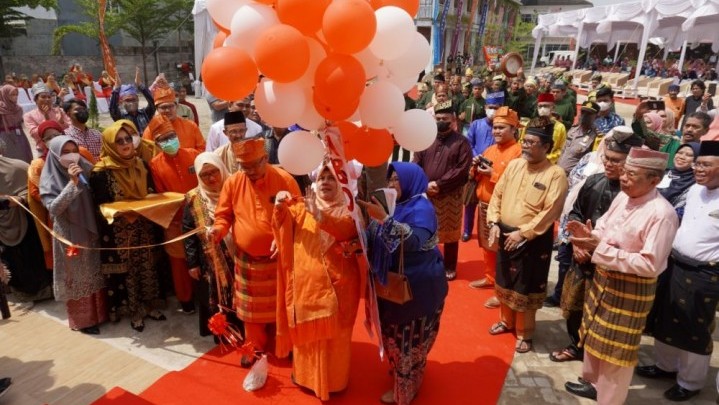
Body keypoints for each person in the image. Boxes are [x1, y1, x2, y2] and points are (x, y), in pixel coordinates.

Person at [564, 148, 679, 404]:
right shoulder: (622, 198)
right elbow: (603, 227)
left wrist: (599, 248)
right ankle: (594, 385)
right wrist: (589, 236)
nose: (624, 178)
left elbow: (650, 264)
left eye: (631, 174)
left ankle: (610, 400)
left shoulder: (662, 214)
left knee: (617, 352)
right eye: (624, 172)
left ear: (654, 180)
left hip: (631, 288)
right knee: (596, 338)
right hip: (605, 280)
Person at [359, 162, 448, 405]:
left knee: (409, 342)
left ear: (411, 181)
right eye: (390, 180)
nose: (391, 184)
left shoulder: (422, 209)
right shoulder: (393, 206)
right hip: (393, 286)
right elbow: (375, 237)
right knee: (395, 337)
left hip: (418, 289)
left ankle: (404, 391)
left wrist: (385, 220)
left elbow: (413, 241)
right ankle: (405, 371)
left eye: (397, 179)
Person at [548, 132, 641, 363]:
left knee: (603, 313)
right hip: (581, 257)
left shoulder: (635, 195)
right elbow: (576, 212)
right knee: (573, 307)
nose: (609, 163)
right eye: (607, 158)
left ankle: (596, 354)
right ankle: (575, 345)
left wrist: (596, 249)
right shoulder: (594, 181)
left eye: (616, 160)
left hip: (612, 264)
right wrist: (577, 243)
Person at [272, 163, 363, 401]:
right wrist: (279, 205)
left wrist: (320, 215)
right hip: (307, 288)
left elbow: (347, 230)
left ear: (341, 183)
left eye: (331, 178)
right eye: (321, 178)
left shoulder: (350, 209)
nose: (325, 182)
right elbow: (282, 227)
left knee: (337, 338)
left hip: (340, 287)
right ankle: (305, 377)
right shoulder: (301, 207)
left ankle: (334, 382)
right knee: (309, 338)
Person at [209, 137, 301, 367]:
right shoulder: (233, 182)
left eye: (253, 165)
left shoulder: (284, 179)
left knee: (282, 305)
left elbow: (300, 217)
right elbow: (224, 215)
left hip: (279, 259)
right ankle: (254, 348)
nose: (248, 171)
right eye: (243, 166)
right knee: (251, 314)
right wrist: (218, 230)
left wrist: (283, 239)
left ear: (265, 159)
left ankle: (285, 345)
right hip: (247, 260)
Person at [639, 141, 719, 402]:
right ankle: (665, 366)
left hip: (705, 274)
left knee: (694, 326)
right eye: (698, 163)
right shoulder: (695, 190)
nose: (698, 168)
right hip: (674, 264)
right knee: (666, 316)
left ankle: (690, 381)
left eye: (706, 164)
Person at [486, 120, 568, 353]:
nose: (526, 146)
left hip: (532, 240)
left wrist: (523, 233)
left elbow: (550, 211)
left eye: (532, 143)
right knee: (504, 280)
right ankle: (505, 321)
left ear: (546, 146)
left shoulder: (555, 174)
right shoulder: (514, 166)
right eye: (525, 141)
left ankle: (525, 333)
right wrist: (493, 221)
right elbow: (498, 194)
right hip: (504, 232)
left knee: (525, 287)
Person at [90, 122, 166, 332]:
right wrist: (127, 211)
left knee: (148, 266)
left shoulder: (140, 163)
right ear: (110, 144)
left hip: (144, 225)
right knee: (128, 272)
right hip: (120, 231)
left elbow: (150, 190)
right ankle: (134, 311)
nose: (125, 144)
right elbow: (102, 206)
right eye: (119, 141)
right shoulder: (100, 172)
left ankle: (150, 305)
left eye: (128, 139)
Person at [40, 136, 108, 334]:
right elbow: (53, 208)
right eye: (65, 152)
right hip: (69, 234)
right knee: (77, 276)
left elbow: (99, 178)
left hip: (89, 227)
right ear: (54, 155)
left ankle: (101, 314)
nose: (71, 155)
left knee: (93, 269)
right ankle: (84, 321)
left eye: (74, 149)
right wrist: (72, 183)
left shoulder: (83, 165)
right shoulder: (50, 177)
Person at [466, 107, 522, 309]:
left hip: (503, 209)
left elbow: (516, 184)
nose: (496, 131)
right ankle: (490, 278)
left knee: (501, 250)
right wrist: (475, 167)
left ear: (514, 129)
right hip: (484, 205)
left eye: (501, 128)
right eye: (495, 128)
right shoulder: (490, 150)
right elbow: (476, 176)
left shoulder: (519, 152)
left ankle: (502, 290)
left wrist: (493, 174)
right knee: (487, 246)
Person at [413, 100, 472, 281]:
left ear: (453, 119)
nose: (441, 121)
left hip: (450, 195)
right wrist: (424, 183)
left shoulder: (462, 142)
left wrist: (439, 184)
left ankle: (449, 266)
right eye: (438, 118)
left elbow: (462, 169)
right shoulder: (426, 138)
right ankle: (427, 263)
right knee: (425, 230)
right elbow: (416, 162)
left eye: (445, 118)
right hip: (427, 193)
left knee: (450, 234)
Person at [183, 152, 239, 338]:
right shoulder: (193, 198)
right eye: (204, 175)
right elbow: (188, 231)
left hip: (240, 253)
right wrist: (192, 264)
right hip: (211, 259)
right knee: (217, 293)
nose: (211, 178)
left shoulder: (235, 188)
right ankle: (223, 332)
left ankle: (245, 328)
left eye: (214, 171)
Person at [0, 140, 53, 305]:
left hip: (24, 220)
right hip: (2, 229)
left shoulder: (17, 167)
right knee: (12, 260)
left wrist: (21, 198)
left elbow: (33, 187)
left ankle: (44, 289)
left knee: (31, 255)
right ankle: (19, 291)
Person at [462, 92, 504, 241]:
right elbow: (468, 144)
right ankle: (467, 230)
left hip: (493, 171)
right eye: (490, 107)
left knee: (490, 203)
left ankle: (486, 231)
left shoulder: (502, 127)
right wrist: (477, 157)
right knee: (470, 202)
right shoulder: (476, 124)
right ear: (485, 107)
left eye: (496, 107)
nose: (492, 110)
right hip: (475, 168)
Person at [656, 142, 699, 219]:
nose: (682, 157)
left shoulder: (696, 184)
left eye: (689, 155)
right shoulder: (662, 172)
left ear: (696, 160)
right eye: (679, 153)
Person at [557, 101, 600, 175]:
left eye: (589, 114)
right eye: (583, 112)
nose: (585, 116)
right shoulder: (573, 129)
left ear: (596, 116)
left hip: (573, 177)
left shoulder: (596, 136)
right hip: (558, 171)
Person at [109, 68, 156, 135]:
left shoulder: (145, 113)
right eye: (127, 100)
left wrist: (140, 85)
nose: (131, 102)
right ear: (122, 102)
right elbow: (112, 109)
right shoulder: (121, 117)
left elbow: (152, 102)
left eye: (133, 99)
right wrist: (116, 89)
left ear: (138, 99)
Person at [0, 84, 31, 163]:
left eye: (16, 94)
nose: (15, 97)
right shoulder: (1, 109)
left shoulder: (18, 108)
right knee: (10, 157)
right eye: (12, 94)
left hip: (19, 135)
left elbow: (20, 122)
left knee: (23, 155)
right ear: (5, 95)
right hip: (5, 136)